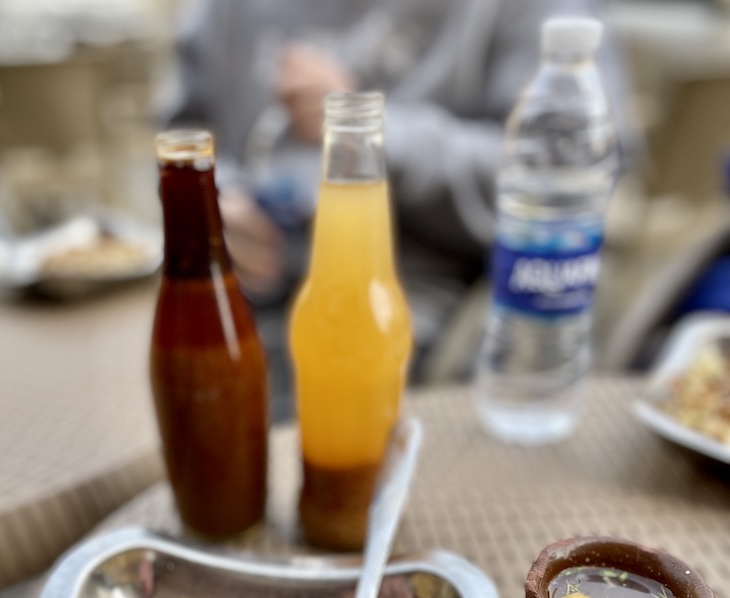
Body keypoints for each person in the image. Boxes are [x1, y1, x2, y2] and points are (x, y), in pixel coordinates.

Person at [162, 0, 633, 419]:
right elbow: (177, 133)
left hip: (423, 296)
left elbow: (562, 181)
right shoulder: (221, 12)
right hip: (233, 276)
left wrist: (371, 131)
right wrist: (211, 197)